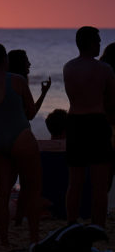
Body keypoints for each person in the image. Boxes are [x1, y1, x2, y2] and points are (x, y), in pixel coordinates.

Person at [0, 43, 41, 246]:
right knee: (31, 189)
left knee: (3, 192)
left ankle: (4, 241)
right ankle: (34, 237)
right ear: (5, 59)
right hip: (20, 136)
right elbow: (30, 113)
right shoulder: (17, 80)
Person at [62, 26, 115, 227]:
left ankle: (71, 223)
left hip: (75, 122)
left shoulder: (68, 67)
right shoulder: (104, 69)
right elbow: (112, 100)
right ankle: (98, 226)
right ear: (91, 43)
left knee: (75, 182)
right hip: (96, 123)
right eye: (98, 41)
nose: (100, 45)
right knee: (99, 185)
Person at [8, 49, 51, 114]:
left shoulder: (5, 84)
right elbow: (30, 114)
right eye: (26, 61)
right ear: (20, 64)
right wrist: (43, 94)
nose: (29, 64)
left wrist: (43, 93)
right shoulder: (20, 83)